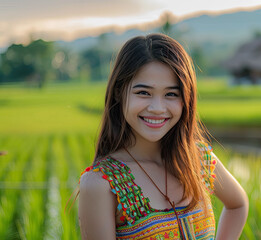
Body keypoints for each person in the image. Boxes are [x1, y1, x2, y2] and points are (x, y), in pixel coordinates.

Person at [78, 33, 248, 240]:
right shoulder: (101, 183)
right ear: (119, 93)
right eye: (143, 93)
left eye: (171, 94)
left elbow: (238, 204)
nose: (158, 108)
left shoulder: (198, 159)